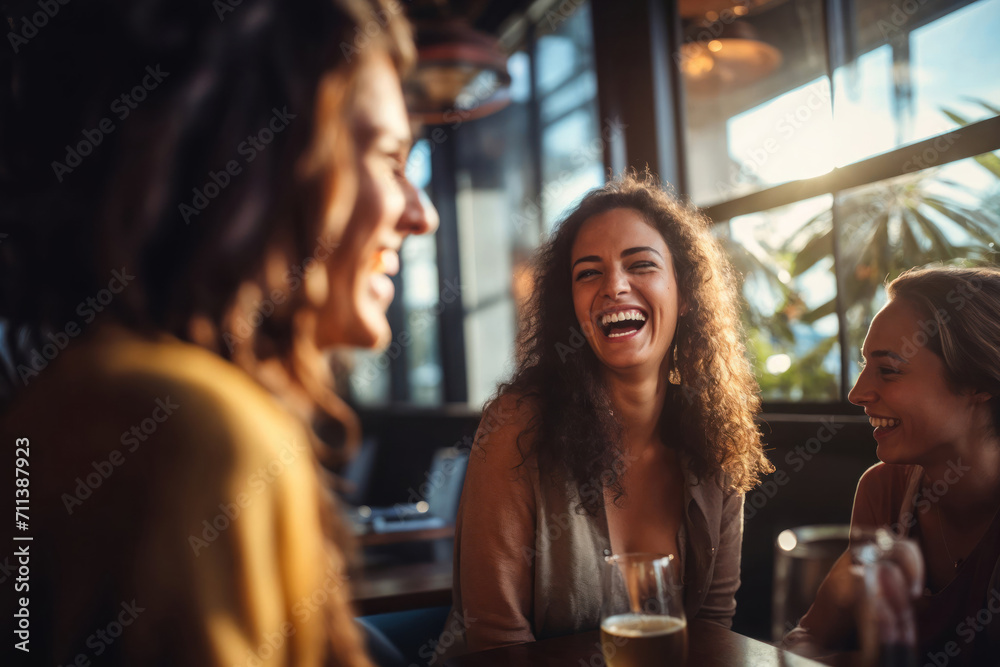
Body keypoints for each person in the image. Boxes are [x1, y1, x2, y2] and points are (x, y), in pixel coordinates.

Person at [0, 0, 436, 664]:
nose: (422, 214)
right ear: (266, 162)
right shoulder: (193, 432)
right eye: (388, 158)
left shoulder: (77, 402)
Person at [439, 172, 773, 656]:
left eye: (641, 264)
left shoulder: (714, 438)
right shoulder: (516, 424)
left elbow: (712, 627)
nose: (614, 286)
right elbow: (497, 640)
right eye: (589, 273)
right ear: (570, 308)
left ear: (685, 295)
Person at [793, 266, 1000, 665]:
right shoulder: (883, 490)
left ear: (979, 384)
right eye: (864, 366)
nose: (856, 393)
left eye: (888, 370)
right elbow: (804, 640)